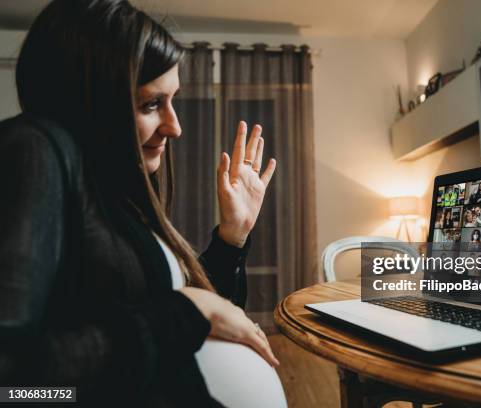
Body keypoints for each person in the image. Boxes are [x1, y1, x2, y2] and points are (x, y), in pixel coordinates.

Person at [0, 1, 284, 406]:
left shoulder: (108, 186)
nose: (175, 127)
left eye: (172, 101)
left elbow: (191, 315)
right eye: (150, 104)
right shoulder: (34, 149)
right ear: (89, 98)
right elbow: (15, 388)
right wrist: (185, 310)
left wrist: (231, 237)